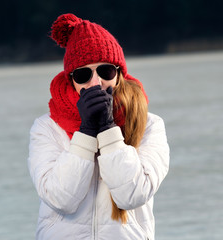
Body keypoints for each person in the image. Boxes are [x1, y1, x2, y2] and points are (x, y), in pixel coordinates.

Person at [28, 13, 170, 240]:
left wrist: (107, 128)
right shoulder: (46, 128)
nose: (96, 83)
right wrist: (85, 133)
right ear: (71, 80)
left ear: (119, 73)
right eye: (83, 74)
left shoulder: (150, 124)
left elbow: (132, 195)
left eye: (105, 71)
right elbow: (60, 199)